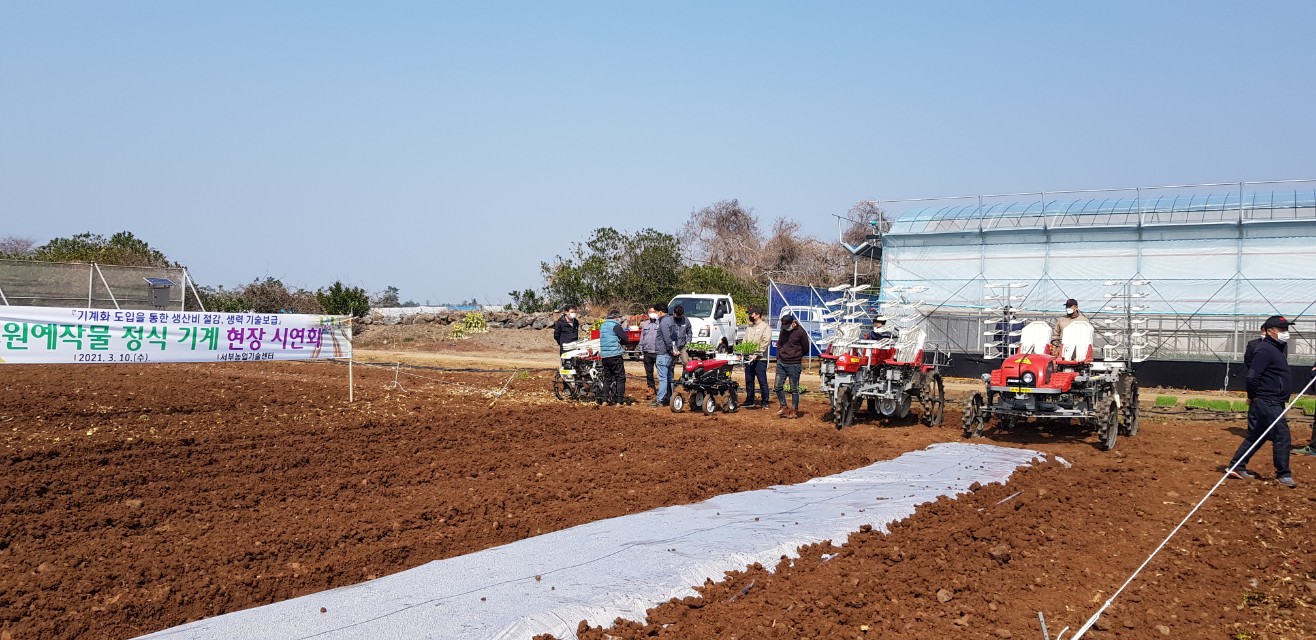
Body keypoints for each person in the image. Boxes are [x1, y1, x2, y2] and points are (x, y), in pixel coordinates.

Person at [1228, 315, 1297, 487]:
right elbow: (1252, 376)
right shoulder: (1265, 349)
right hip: (1267, 400)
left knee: (1258, 434)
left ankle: (1237, 465)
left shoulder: (1276, 348)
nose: (1285, 333)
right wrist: (1253, 396)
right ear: (1268, 331)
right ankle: (1284, 474)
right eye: (1281, 330)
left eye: (1286, 329)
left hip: (1273, 400)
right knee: (1282, 434)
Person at [774, 314, 810, 418]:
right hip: (781, 362)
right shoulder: (784, 330)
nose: (786, 329)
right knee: (777, 386)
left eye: (787, 326)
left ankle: (794, 410)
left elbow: (805, 348)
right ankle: (783, 406)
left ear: (793, 323)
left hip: (794, 364)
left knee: (794, 388)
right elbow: (779, 344)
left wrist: (796, 356)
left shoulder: (801, 332)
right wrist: (779, 357)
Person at [654, 305, 684, 407]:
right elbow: (676, 337)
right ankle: (670, 397)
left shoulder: (663, 322)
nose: (656, 314)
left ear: (660, 312)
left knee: (663, 378)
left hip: (663, 353)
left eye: (656, 312)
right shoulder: (672, 321)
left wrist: (670, 350)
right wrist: (674, 350)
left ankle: (660, 400)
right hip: (670, 354)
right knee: (669, 377)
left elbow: (667, 339)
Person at [598, 308, 629, 405]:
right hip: (615, 355)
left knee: (607, 378)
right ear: (616, 317)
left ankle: (604, 400)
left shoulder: (603, 326)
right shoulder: (615, 326)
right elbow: (626, 339)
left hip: (605, 356)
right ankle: (620, 401)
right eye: (619, 317)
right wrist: (621, 343)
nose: (620, 319)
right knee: (620, 378)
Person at [742, 307, 771, 409]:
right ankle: (750, 400)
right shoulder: (749, 328)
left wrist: (757, 353)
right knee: (749, 380)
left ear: (758, 315)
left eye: (752, 314)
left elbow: (766, 341)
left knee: (762, 381)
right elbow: (744, 340)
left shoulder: (765, 327)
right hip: (748, 358)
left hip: (759, 360)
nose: (750, 316)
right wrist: (744, 352)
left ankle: (765, 401)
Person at [638, 304, 664, 402]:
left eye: (654, 312)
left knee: (661, 372)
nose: (652, 314)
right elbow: (642, 337)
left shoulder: (661, 323)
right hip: (647, 351)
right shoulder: (645, 324)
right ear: (648, 314)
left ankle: (662, 390)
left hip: (657, 351)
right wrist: (641, 348)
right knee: (649, 372)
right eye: (650, 312)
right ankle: (651, 388)